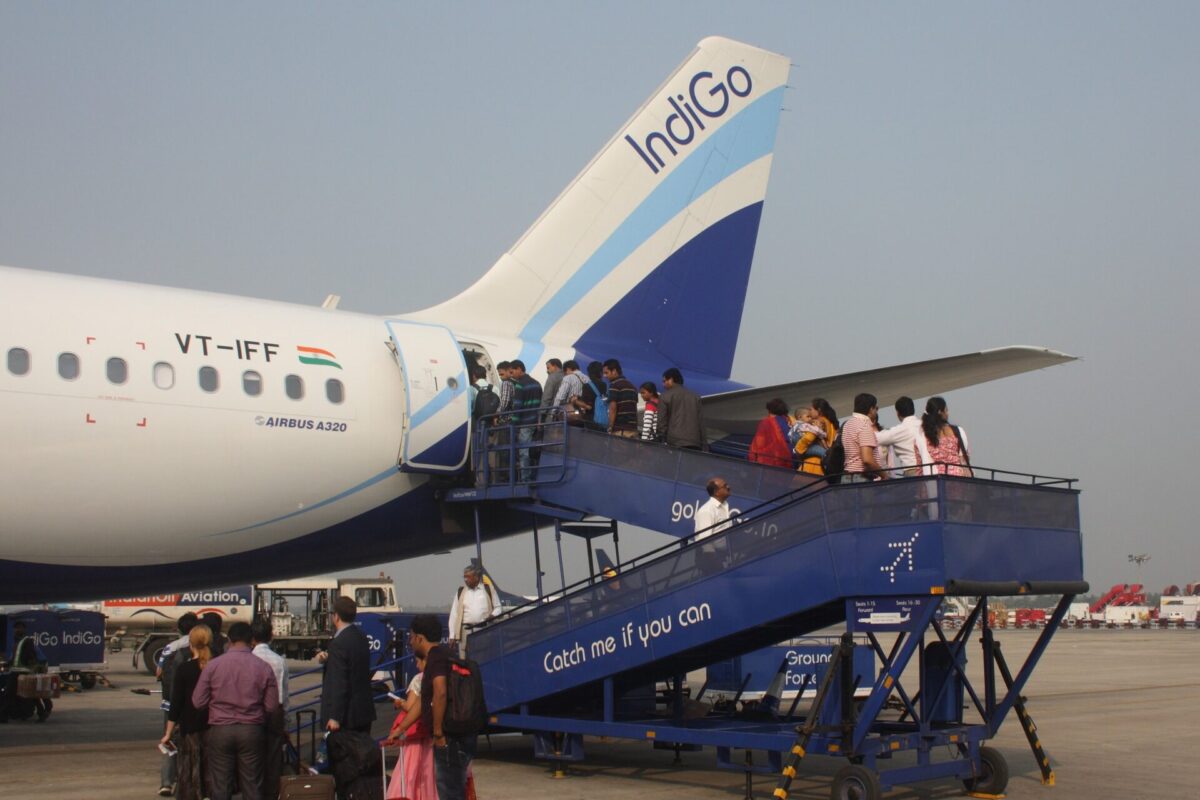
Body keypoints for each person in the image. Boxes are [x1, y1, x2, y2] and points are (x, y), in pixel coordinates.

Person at [191, 621, 279, 800]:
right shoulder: (263, 667)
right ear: (252, 640)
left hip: (221, 730)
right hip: (251, 730)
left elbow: (198, 701)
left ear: (229, 640)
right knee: (252, 784)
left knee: (221, 785)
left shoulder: (213, 666)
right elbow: (271, 706)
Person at [409, 615, 477, 800]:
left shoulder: (436, 658)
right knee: (456, 789)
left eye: (411, 636)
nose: (410, 641)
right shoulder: (448, 654)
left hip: (448, 738)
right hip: (460, 732)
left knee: (449, 792)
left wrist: (438, 732)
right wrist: (400, 728)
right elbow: (424, 699)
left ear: (420, 638)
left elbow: (440, 691)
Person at [161, 624, 212, 800]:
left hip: (189, 727)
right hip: (212, 725)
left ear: (190, 644)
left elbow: (176, 703)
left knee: (189, 771)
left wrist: (168, 733)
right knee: (209, 768)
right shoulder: (215, 667)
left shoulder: (184, 669)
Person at [317, 597, 376, 735]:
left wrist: (335, 717)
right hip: (363, 712)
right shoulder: (361, 637)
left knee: (343, 755)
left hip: (346, 718)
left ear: (336, 616)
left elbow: (340, 683)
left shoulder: (338, 644)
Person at [383, 652, 436, 800]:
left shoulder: (418, 679)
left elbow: (411, 706)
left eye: (418, 662)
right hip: (428, 733)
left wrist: (400, 703)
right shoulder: (438, 678)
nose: (417, 665)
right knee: (427, 772)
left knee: (409, 771)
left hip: (414, 733)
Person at [157, 611, 199, 796]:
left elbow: (159, 672)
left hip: (171, 703)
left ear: (179, 628)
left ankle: (167, 782)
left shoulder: (171, 647)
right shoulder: (201, 647)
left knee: (170, 743)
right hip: (194, 705)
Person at [250, 619, 289, 800]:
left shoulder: (249, 659)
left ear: (253, 638)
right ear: (271, 636)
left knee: (253, 757)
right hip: (275, 713)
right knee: (273, 759)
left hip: (252, 712)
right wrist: (285, 721)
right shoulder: (279, 660)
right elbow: (285, 693)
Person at [447, 565, 501, 658]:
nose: (465, 579)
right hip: (465, 631)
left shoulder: (488, 589)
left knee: (483, 657)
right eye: (464, 577)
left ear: (476, 577)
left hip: (482, 630)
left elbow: (498, 607)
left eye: (468, 577)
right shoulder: (461, 592)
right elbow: (454, 615)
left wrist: (492, 615)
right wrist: (452, 635)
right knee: (465, 660)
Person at [5, 621, 51, 723]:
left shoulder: (27, 641)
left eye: (19, 628)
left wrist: (30, 665)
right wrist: (7, 663)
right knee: (22, 694)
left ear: (24, 629)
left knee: (20, 694)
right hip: (16, 671)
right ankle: (41, 713)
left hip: (23, 672)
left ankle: (42, 712)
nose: (17, 630)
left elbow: (31, 656)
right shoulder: (17, 642)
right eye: (16, 628)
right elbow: (15, 658)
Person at [917, 396, 972, 477]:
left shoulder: (923, 436)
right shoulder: (958, 431)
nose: (948, 413)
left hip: (935, 481)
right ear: (940, 412)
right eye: (946, 410)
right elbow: (965, 456)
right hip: (958, 478)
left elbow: (919, 466)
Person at [508, 360, 542, 482]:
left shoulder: (520, 385)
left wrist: (513, 423)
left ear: (519, 369)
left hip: (525, 423)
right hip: (535, 422)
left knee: (524, 452)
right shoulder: (537, 384)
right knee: (534, 452)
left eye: (512, 372)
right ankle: (534, 476)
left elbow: (517, 406)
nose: (511, 375)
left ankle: (525, 479)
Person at [841, 393, 887, 482]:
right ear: (871, 409)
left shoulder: (848, 424)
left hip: (847, 477)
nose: (877, 411)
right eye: (876, 408)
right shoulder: (864, 426)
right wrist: (884, 475)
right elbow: (867, 460)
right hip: (861, 479)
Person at [657, 368, 706, 450]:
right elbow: (701, 423)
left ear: (671, 380)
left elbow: (661, 422)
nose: (663, 384)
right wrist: (705, 445)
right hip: (694, 442)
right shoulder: (695, 396)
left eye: (664, 381)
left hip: (674, 442)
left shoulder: (665, 396)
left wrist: (662, 440)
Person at [694, 478, 733, 574]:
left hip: (724, 556)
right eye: (724, 486)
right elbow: (705, 542)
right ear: (716, 492)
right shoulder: (707, 511)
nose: (728, 487)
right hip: (711, 559)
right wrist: (718, 563)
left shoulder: (724, 506)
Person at [876, 396, 922, 477]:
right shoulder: (925, 425)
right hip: (931, 470)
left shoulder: (898, 430)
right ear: (913, 409)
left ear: (897, 413)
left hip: (912, 471)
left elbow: (875, 438)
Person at [748, 398, 794, 468]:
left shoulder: (766, 422)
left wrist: (753, 457)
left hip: (771, 460)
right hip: (789, 459)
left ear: (769, 409)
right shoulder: (790, 420)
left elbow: (759, 443)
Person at [602, 359, 639, 438]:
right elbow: (634, 409)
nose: (604, 376)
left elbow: (613, 408)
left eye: (606, 373)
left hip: (620, 430)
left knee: (618, 450)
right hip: (633, 429)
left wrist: (610, 427)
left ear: (614, 371)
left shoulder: (614, 385)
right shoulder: (632, 387)